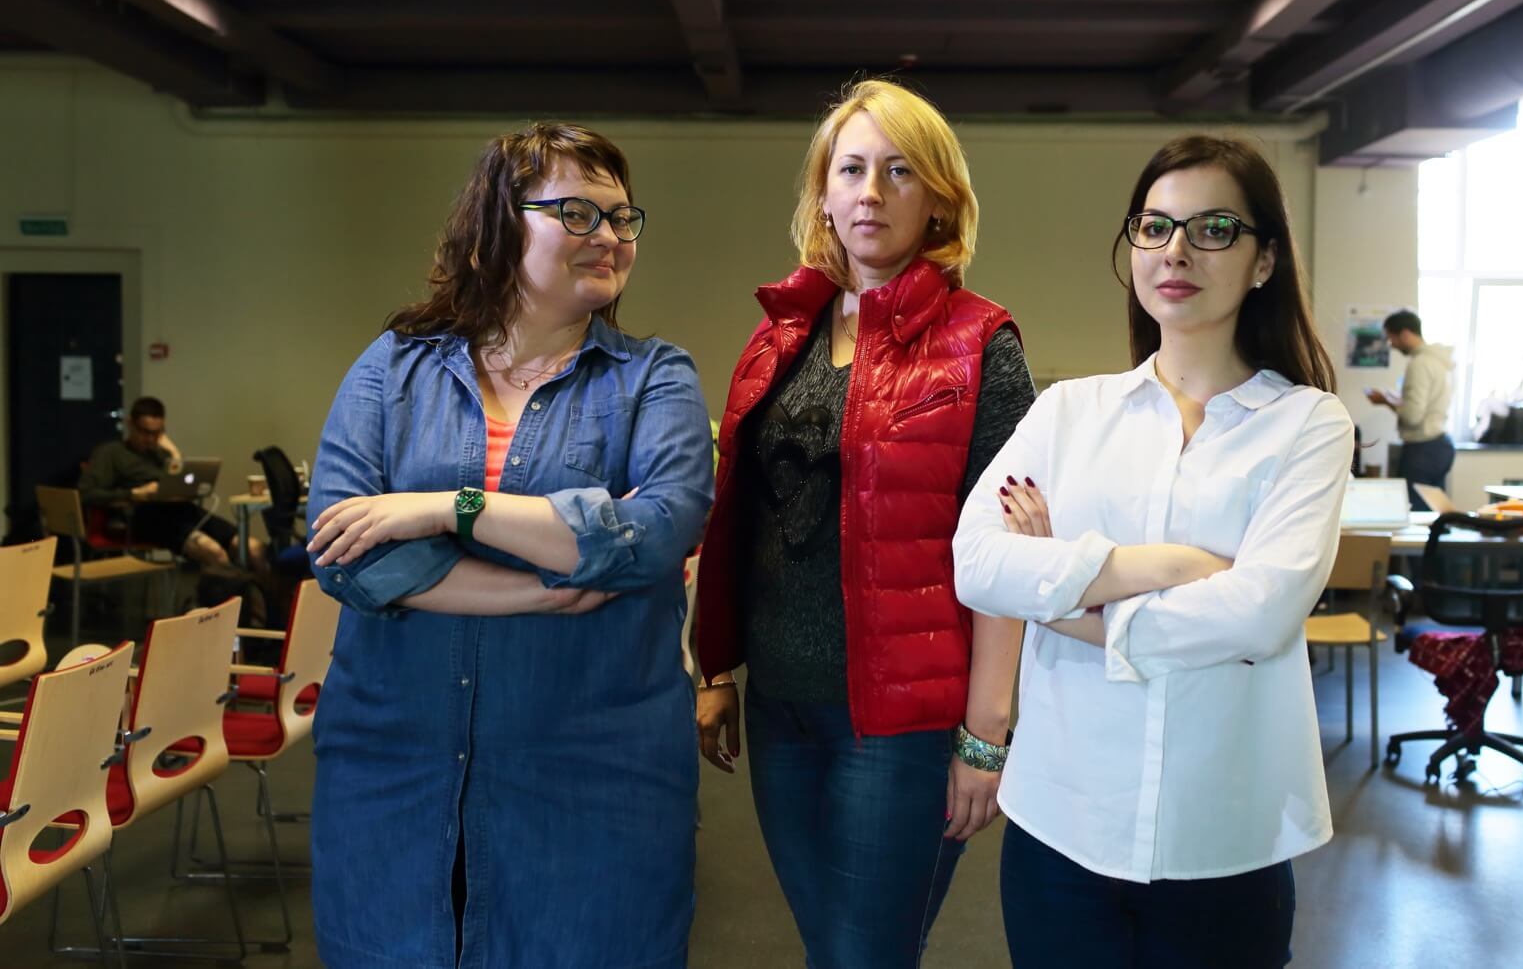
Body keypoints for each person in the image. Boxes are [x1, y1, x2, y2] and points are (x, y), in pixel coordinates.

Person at [303, 123, 714, 969]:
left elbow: (656, 534)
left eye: (622, 217)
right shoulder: (392, 369)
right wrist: (541, 582)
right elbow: (344, 550)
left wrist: (440, 508)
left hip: (596, 774)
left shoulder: (654, 379)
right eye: (578, 213)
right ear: (500, 223)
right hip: (394, 768)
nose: (609, 236)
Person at [952, 135, 1352, 969]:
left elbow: (1260, 614)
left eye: (1214, 228)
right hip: (1062, 827)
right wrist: (1173, 566)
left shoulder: (1308, 424)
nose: (1176, 249)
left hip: (1225, 839)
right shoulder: (1069, 412)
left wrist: (1058, 596)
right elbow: (977, 562)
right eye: (1155, 226)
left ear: (1265, 259)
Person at [694, 78, 1035, 967]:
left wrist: (986, 733)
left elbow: (1009, 555)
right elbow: (743, 520)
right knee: (836, 949)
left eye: (899, 171)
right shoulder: (779, 336)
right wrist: (717, 667)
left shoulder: (982, 343)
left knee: (862, 955)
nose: (871, 192)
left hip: (903, 722)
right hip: (782, 706)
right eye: (851, 169)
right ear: (823, 194)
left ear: (939, 200)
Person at [79, 395, 268, 574]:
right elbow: (86, 493)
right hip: (145, 517)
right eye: (145, 432)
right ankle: (233, 594)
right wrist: (133, 494)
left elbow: (183, 482)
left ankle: (262, 595)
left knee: (253, 548)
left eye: (157, 433)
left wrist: (174, 453)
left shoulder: (161, 454)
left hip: (183, 511)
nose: (151, 439)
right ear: (130, 424)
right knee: (214, 553)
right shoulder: (111, 453)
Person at [1365, 308, 1455, 510]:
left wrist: (1385, 401)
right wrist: (1398, 399)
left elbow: (1413, 416)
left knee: (1417, 513)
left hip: (1423, 449)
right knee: (1434, 511)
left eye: (1391, 338)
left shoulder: (1420, 364)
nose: (1391, 345)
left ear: (1405, 334)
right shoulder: (1439, 360)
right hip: (1440, 445)